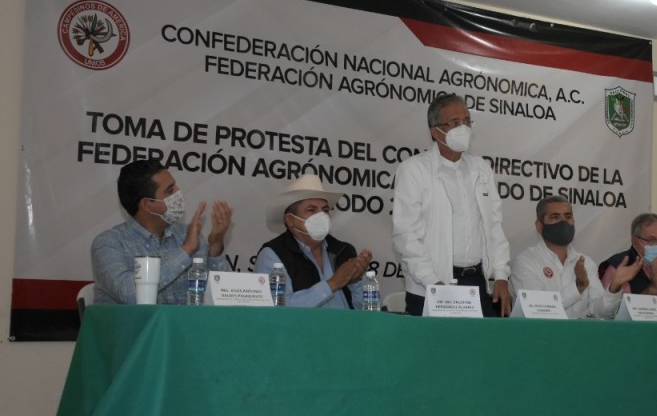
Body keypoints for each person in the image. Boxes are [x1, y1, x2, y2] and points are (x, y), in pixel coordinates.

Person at [392, 94, 511, 316]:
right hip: (431, 286)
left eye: (467, 121)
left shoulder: (481, 168)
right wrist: (433, 283)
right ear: (435, 131)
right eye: (454, 122)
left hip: (476, 283)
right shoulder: (414, 169)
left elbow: (494, 226)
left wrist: (501, 276)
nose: (463, 128)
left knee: (482, 340)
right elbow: (406, 236)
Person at [90, 159, 233, 304]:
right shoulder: (108, 243)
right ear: (147, 205)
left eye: (175, 186)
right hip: (133, 320)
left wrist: (215, 246)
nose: (178, 192)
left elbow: (223, 297)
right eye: (170, 190)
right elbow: (129, 293)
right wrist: (186, 250)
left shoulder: (186, 234)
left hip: (183, 320)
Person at [255, 174, 373, 309]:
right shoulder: (273, 255)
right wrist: (333, 283)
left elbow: (371, 310)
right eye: (311, 210)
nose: (321, 215)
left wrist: (355, 283)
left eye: (325, 210)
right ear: (290, 220)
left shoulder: (343, 251)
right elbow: (276, 309)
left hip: (349, 323)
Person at [510, 196, 638, 319]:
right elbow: (537, 309)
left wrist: (614, 287)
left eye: (568, 216)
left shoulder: (586, 263)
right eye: (555, 217)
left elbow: (602, 313)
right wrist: (577, 287)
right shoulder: (525, 262)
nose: (563, 222)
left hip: (579, 334)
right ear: (540, 226)